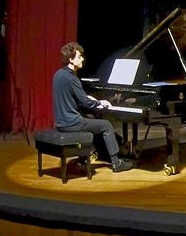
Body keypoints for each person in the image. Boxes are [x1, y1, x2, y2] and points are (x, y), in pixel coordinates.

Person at [53, 42, 132, 173]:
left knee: (91, 118)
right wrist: (100, 103)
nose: (82, 59)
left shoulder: (58, 75)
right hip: (72, 123)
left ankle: (83, 158)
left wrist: (91, 99)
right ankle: (116, 163)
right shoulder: (72, 78)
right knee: (106, 125)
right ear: (71, 59)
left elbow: (76, 96)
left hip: (60, 122)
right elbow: (86, 103)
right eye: (79, 57)